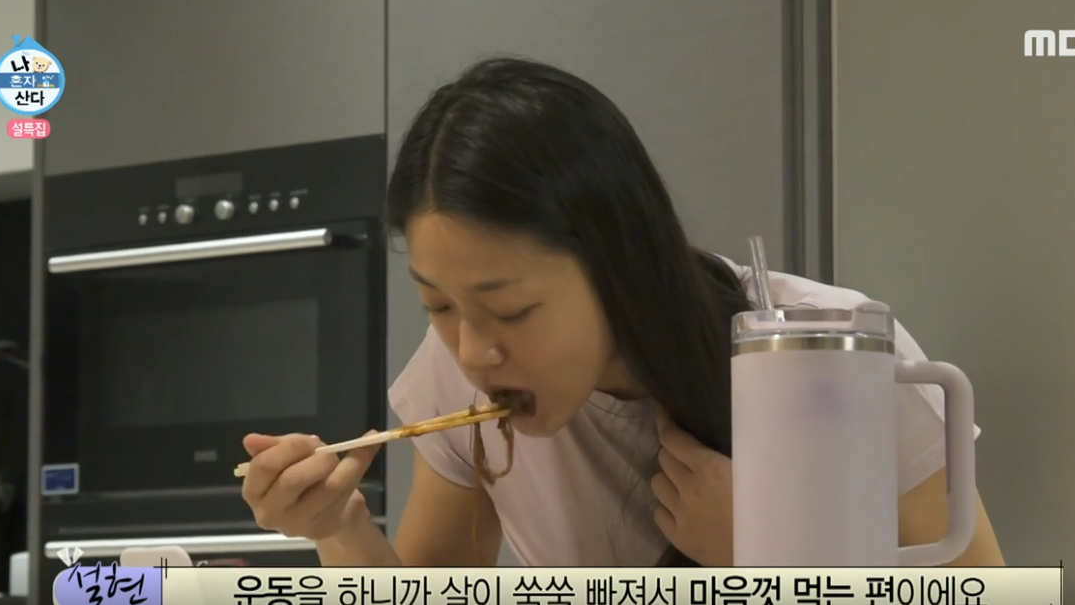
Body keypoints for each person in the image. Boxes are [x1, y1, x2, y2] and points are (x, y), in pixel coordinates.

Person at [240, 57, 1006, 568]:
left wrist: (770, 556)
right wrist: (337, 527)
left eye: (512, 308)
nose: (472, 351)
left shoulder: (836, 353)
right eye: (437, 305)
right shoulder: (457, 372)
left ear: (617, 262)